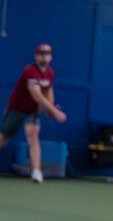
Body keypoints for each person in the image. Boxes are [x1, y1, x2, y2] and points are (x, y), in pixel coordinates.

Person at [0, 43, 67, 183]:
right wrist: (54, 112)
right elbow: (36, 95)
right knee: (3, 138)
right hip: (16, 108)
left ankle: (36, 171)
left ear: (51, 56)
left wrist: (50, 108)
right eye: (41, 53)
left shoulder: (50, 73)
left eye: (47, 53)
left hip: (32, 110)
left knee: (33, 135)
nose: (44, 56)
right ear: (36, 56)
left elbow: (48, 90)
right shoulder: (29, 70)